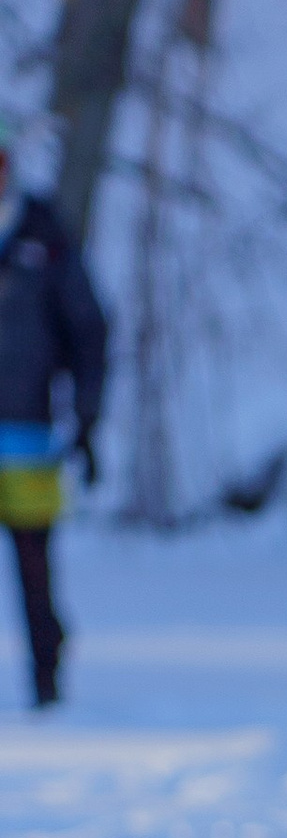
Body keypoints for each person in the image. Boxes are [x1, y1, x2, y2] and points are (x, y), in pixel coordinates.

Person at [0, 114, 109, 710]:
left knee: (35, 569)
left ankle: (48, 682)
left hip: (28, 435)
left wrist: (87, 419)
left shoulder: (45, 235)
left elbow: (88, 331)